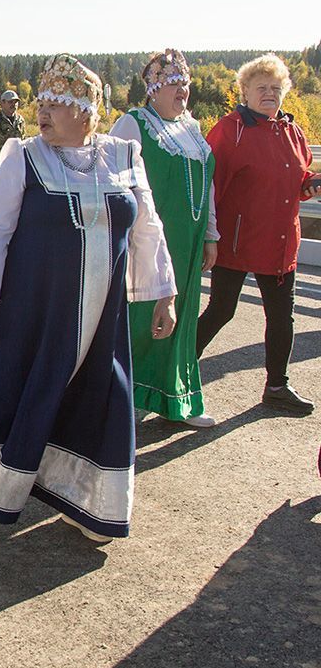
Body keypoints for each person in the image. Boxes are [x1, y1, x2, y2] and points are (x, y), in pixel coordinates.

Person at [0, 54, 177, 543]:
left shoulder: (124, 157)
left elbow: (148, 227)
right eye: (41, 102)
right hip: (33, 311)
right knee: (10, 391)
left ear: (87, 112)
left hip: (101, 319)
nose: (42, 112)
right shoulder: (25, 158)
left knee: (100, 397)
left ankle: (90, 500)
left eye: (57, 104)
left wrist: (163, 294)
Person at [195, 53, 318, 415]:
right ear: (244, 91)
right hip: (237, 242)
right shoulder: (229, 130)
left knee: (282, 317)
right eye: (261, 87)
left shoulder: (293, 132)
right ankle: (180, 372)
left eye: (276, 88)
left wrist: (309, 185)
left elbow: (295, 181)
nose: (269, 93)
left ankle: (277, 387)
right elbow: (209, 187)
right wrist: (208, 236)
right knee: (221, 310)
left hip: (280, 244)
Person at [110, 49, 217, 426]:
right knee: (143, 317)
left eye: (184, 83)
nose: (181, 90)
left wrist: (211, 233)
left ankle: (178, 399)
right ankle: (129, 399)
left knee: (183, 317)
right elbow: (111, 177)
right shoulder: (135, 123)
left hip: (188, 240)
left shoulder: (191, 129)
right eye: (172, 83)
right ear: (153, 88)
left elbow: (209, 186)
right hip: (149, 239)